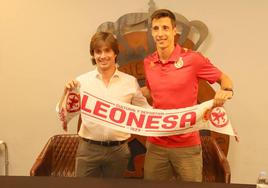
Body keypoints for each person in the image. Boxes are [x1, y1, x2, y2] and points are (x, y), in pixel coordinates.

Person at [143, 9, 234, 182]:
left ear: (174, 30)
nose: (160, 33)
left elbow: (225, 79)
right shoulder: (149, 62)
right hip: (156, 145)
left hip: (186, 145)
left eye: (165, 28)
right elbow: (150, 91)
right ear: (152, 32)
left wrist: (226, 91)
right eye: (156, 29)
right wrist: (121, 93)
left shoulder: (193, 59)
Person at [56, 31, 150, 178]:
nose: (102, 56)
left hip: (118, 151)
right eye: (98, 51)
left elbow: (146, 112)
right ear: (93, 54)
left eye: (107, 50)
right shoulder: (81, 82)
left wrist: (174, 117)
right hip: (88, 149)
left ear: (115, 53)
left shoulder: (130, 82)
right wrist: (65, 93)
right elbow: (63, 114)